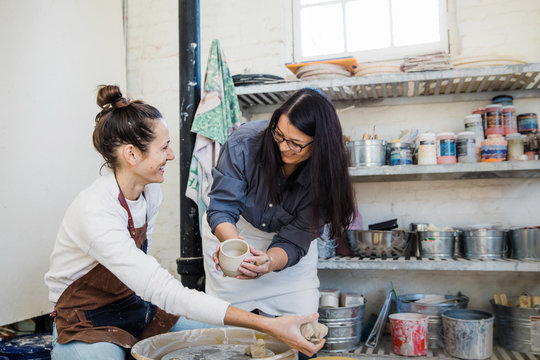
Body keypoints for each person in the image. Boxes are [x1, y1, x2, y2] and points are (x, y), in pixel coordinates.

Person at [44, 85, 324, 360]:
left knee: (229, 342)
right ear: (132, 155)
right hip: (85, 318)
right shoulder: (96, 210)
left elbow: (145, 280)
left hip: (134, 307)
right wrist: (266, 325)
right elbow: (159, 288)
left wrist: (259, 328)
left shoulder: (149, 191)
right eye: (164, 148)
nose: (172, 155)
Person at [203, 88, 355, 317]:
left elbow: (296, 238)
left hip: (287, 257)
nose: (284, 147)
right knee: (227, 328)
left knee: (300, 325)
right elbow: (223, 206)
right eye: (279, 135)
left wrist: (270, 262)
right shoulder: (244, 142)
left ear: (319, 145)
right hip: (237, 233)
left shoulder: (326, 174)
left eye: (296, 143)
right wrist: (232, 247)